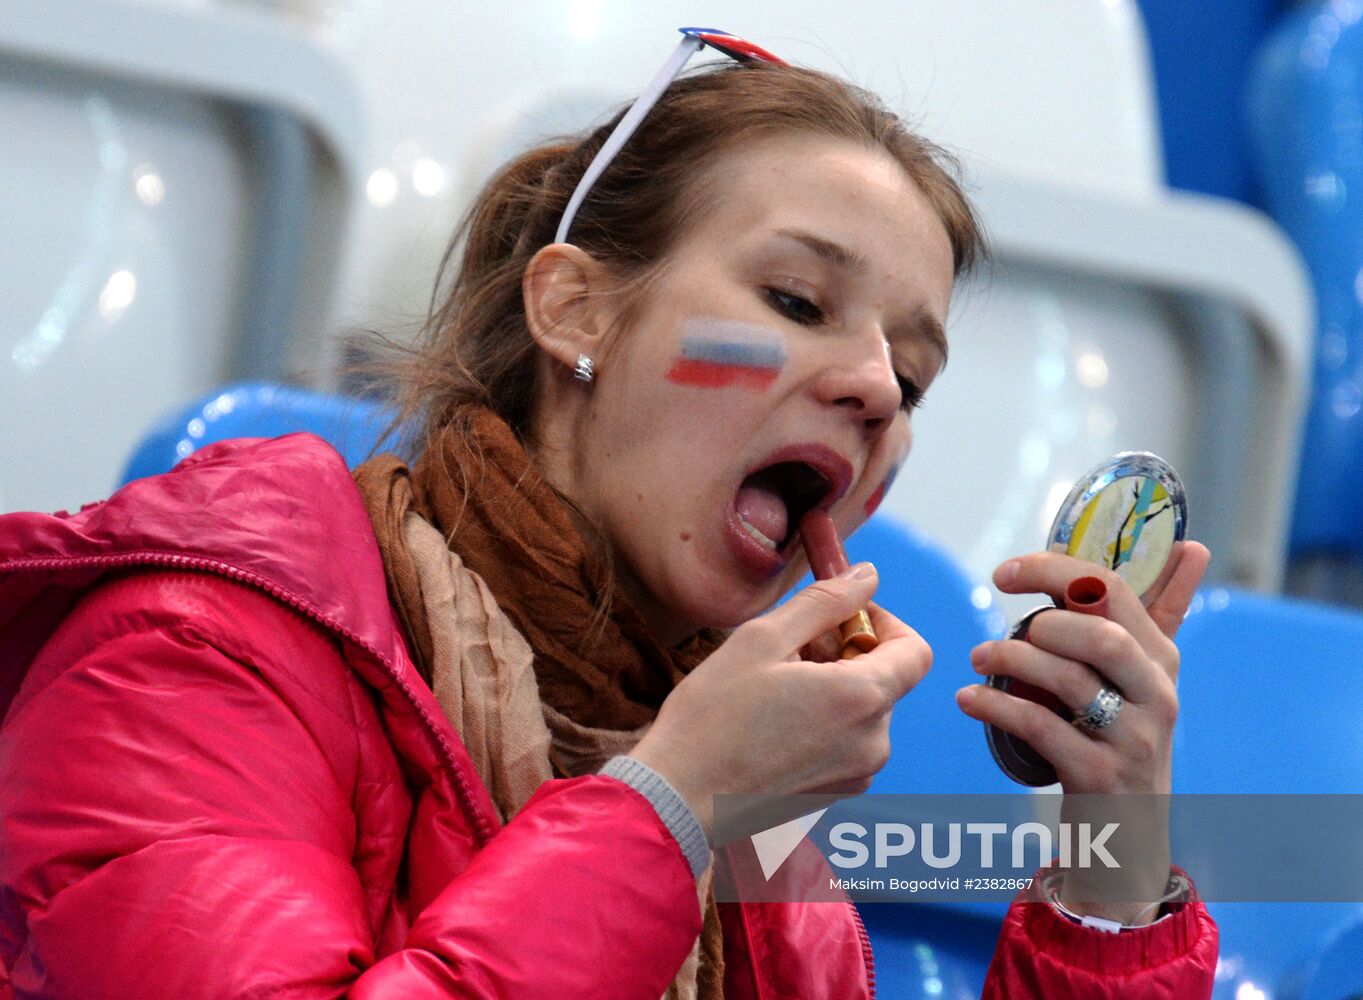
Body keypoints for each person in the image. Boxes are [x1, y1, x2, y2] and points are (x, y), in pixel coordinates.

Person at [0, 29, 1217, 999]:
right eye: (796, 298)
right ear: (575, 310)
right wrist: (666, 805)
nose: (868, 389)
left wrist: (1107, 875)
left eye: (909, 376)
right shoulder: (185, 648)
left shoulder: (753, 802)